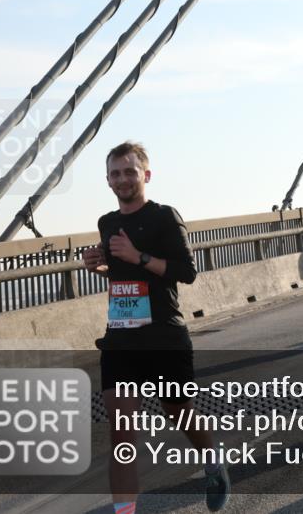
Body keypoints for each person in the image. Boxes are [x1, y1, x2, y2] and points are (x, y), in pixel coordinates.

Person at [82, 142, 229, 514]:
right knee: (121, 435)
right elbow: (121, 274)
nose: (122, 179)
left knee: (180, 412)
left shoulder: (165, 216)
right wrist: (99, 266)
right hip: (120, 338)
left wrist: (139, 256)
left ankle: (213, 463)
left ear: (145, 175)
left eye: (129, 172)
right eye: (115, 173)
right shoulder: (107, 222)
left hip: (164, 334)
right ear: (107, 180)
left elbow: (186, 272)